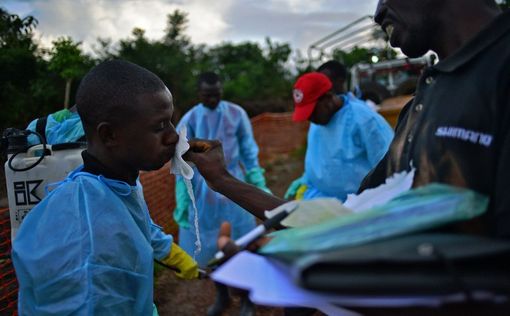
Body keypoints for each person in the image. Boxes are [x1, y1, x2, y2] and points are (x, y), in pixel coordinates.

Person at [183, 0, 509, 312]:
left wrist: (308, 277)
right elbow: (349, 220)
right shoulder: (422, 102)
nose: (378, 12)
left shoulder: (498, 76)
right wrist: (223, 181)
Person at [12, 60, 199, 315]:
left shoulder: (115, 183)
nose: (173, 136)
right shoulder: (90, 249)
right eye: (159, 126)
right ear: (109, 135)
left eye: (170, 121)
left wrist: (170, 253)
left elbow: (137, 224)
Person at [173, 71, 270, 315]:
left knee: (242, 244)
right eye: (207, 95)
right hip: (202, 191)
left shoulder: (236, 114)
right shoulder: (190, 118)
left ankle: (248, 297)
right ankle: (222, 294)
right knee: (212, 251)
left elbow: (249, 151)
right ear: (198, 94)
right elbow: (181, 162)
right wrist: (183, 199)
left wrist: (258, 183)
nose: (213, 99)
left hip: (233, 185)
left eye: (216, 94)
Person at [284, 66, 393, 201]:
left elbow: (390, 167)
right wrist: (307, 178)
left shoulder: (365, 121)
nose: (309, 118)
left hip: (358, 205)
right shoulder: (318, 121)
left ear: (328, 98)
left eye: (312, 112)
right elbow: (318, 157)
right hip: (321, 200)